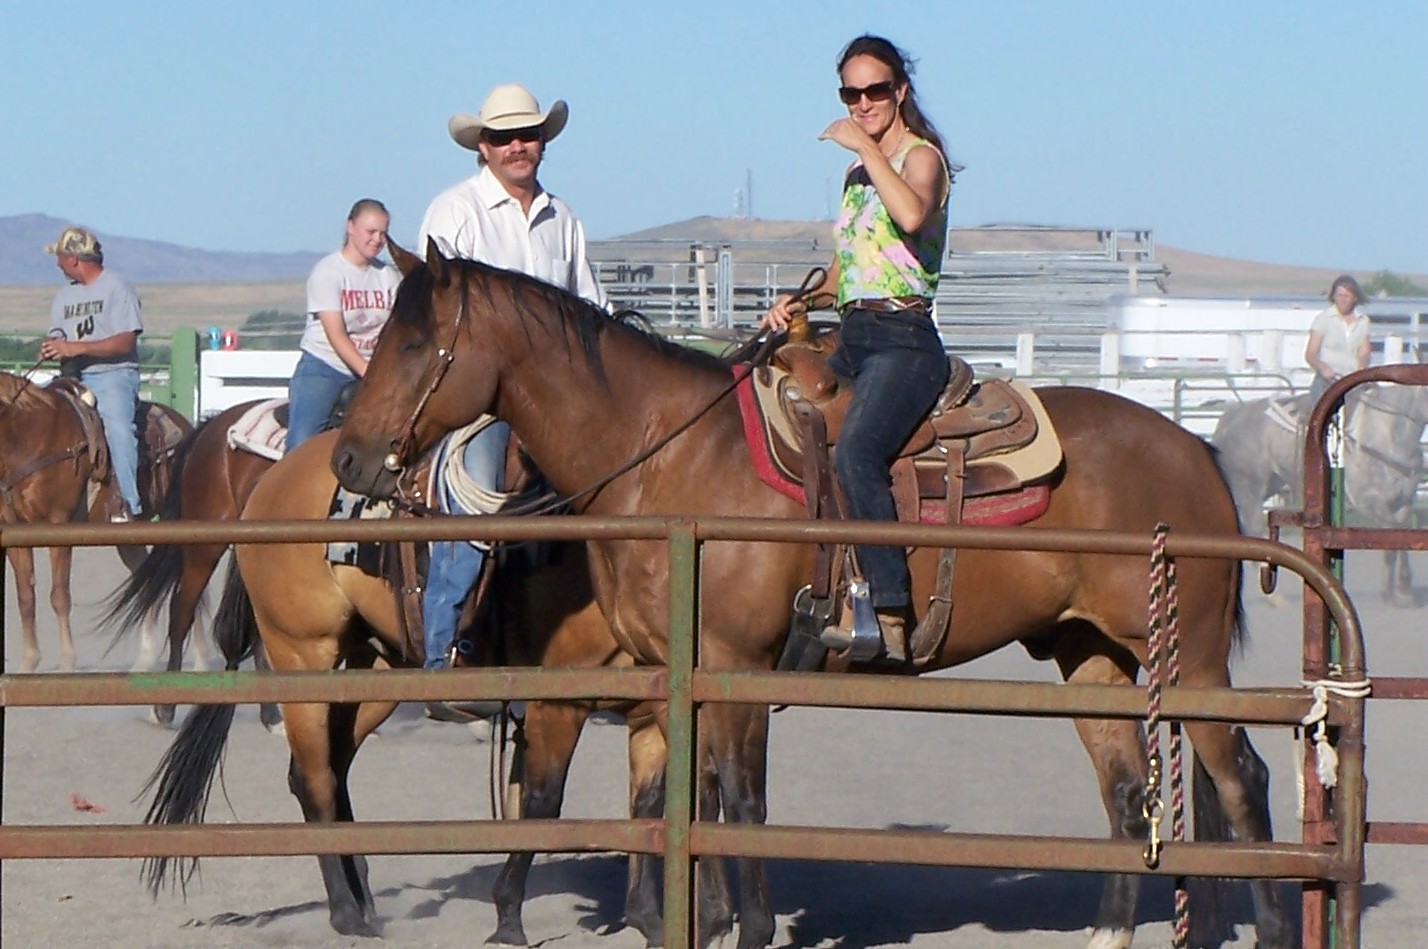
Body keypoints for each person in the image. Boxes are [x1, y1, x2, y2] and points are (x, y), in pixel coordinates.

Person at [763, 35, 955, 663]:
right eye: (852, 93)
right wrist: (802, 302)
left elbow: (909, 217)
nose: (863, 102)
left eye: (875, 90)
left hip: (905, 341)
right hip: (853, 330)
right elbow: (850, 270)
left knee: (858, 452)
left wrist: (867, 146)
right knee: (770, 406)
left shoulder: (921, 159)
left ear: (900, 90)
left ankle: (891, 611)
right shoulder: (855, 174)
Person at [416, 83, 606, 714]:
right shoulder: (455, 212)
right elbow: (438, 312)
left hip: (561, 400)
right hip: (483, 399)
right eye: (504, 137)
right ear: (484, 147)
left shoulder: (564, 219)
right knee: (477, 491)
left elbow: (591, 310)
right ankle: (446, 650)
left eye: (529, 135)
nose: (519, 146)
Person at [39, 226, 145, 522]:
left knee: (118, 429)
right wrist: (52, 348)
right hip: (70, 378)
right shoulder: (63, 297)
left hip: (112, 374)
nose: (57, 264)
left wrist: (74, 348)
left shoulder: (117, 287)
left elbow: (126, 341)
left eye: (59, 257)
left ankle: (128, 502)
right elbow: (59, 335)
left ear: (73, 259)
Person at [287, 199, 400, 451]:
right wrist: (370, 374)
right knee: (302, 442)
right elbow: (336, 335)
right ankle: (283, 486)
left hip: (375, 366)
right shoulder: (328, 273)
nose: (377, 240)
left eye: (383, 233)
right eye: (371, 232)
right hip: (326, 366)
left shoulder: (389, 276)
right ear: (351, 227)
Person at [1304, 274, 1371, 406]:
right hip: (1328, 380)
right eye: (1339, 295)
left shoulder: (1363, 321)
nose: (1342, 300)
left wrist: (1361, 367)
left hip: (1353, 380)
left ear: (1355, 298)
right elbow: (1310, 354)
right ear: (1333, 297)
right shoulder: (1323, 319)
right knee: (1319, 411)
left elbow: (1364, 352)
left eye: (1346, 296)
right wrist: (1323, 368)